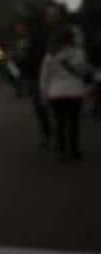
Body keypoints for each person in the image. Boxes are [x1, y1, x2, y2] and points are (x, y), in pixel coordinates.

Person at [39, 29, 93, 162]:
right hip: (75, 92)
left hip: (56, 93)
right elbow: (84, 70)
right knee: (74, 123)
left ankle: (62, 152)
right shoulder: (78, 53)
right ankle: (74, 150)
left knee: (60, 123)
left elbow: (44, 78)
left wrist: (44, 95)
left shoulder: (49, 56)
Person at [12, 18, 52, 146]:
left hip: (36, 75)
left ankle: (48, 133)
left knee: (41, 105)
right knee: (41, 105)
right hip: (33, 75)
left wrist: (20, 64)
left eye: (19, 26)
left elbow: (27, 58)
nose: (17, 29)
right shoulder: (23, 40)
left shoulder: (30, 40)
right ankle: (47, 132)